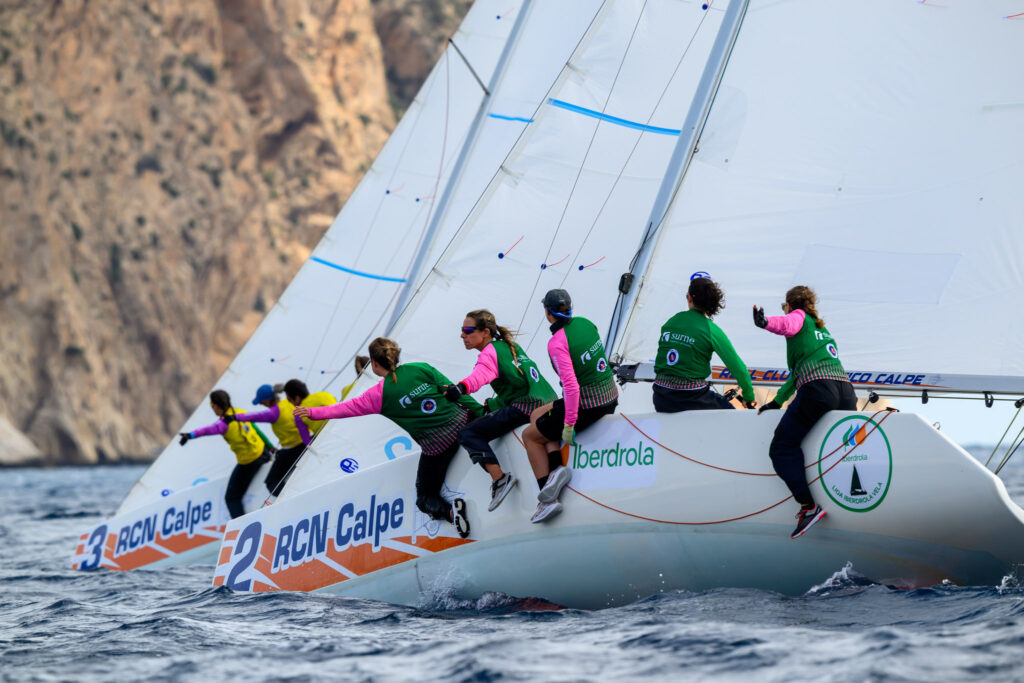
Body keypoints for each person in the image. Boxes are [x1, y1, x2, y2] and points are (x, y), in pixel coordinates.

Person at [294, 338, 483, 538]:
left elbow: (344, 409)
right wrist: (481, 412)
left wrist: (312, 412)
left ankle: (453, 513)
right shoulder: (420, 368)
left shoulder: (377, 395)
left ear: (375, 363)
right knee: (462, 410)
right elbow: (456, 392)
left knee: (425, 498)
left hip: (440, 445)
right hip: (463, 421)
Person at [753, 285, 857, 539]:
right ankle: (851, 499)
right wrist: (777, 401)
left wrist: (765, 323)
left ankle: (809, 507)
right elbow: (797, 373)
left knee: (781, 448)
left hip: (819, 390)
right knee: (842, 448)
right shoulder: (822, 330)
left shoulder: (798, 317)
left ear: (789, 305)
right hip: (846, 391)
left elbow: (787, 324)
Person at [444, 309, 557, 512]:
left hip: (527, 406)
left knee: (468, 433)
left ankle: (500, 480)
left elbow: (481, 375)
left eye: (468, 330)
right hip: (548, 401)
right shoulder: (509, 346)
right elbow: (517, 385)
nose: (462, 335)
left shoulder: (490, 352)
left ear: (485, 332)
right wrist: (492, 405)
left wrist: (460, 388)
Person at [521, 289, 618, 523]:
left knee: (530, 436)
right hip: (610, 396)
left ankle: (547, 501)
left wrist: (569, 424)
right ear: (570, 307)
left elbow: (572, 388)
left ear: (547, 313)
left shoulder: (557, 343)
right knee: (537, 415)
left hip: (588, 405)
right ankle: (556, 470)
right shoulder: (586, 323)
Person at [654, 275, 756, 412]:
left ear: (689, 298)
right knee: (731, 414)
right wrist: (748, 396)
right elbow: (738, 368)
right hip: (692, 398)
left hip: (661, 397)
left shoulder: (672, 320)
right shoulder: (711, 330)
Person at [178, 390, 273, 518]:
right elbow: (258, 432)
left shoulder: (222, 424)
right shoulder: (241, 412)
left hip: (249, 462)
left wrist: (190, 435)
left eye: (212, 406)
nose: (212, 409)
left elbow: (206, 430)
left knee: (231, 498)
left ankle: (241, 525)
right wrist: (271, 448)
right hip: (263, 453)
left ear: (216, 405)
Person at [225, 384, 303, 498]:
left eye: (261, 402)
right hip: (307, 441)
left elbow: (254, 416)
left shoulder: (273, 412)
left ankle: (294, 497)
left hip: (294, 448)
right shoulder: (289, 402)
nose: (261, 404)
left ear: (267, 400)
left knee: (271, 482)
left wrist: (234, 417)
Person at [284, 379, 337, 445]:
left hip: (329, 439)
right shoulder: (325, 394)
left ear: (297, 398)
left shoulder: (299, 413)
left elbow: (307, 441)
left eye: (289, 400)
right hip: (343, 424)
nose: (290, 403)